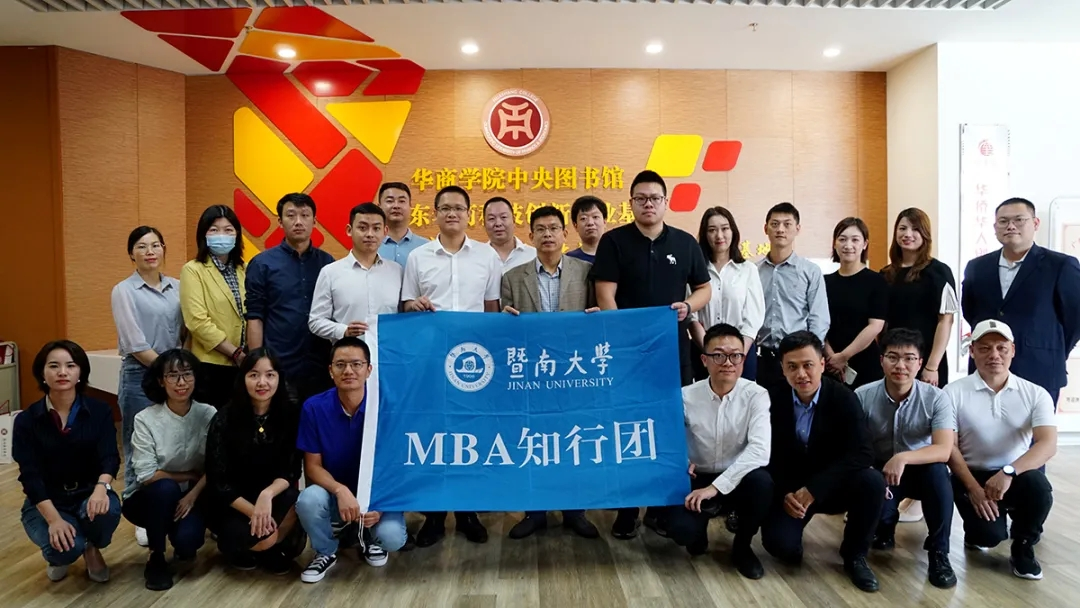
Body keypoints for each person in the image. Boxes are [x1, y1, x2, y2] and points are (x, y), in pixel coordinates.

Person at [589, 169, 711, 540]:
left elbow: (704, 288)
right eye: (640, 198)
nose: (648, 204)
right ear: (631, 203)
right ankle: (628, 510)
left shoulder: (685, 243)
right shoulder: (614, 241)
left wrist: (689, 306)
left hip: (672, 351)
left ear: (665, 202)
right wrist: (624, 337)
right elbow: (605, 294)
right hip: (626, 355)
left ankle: (661, 509)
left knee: (669, 428)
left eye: (655, 198)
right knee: (626, 427)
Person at [401, 185, 500, 546]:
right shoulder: (418, 257)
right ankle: (434, 516)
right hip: (431, 361)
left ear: (469, 214)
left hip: (475, 364)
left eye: (459, 208)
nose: (452, 213)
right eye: (445, 208)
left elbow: (491, 309)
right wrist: (414, 306)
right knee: (434, 435)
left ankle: (467, 513)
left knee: (471, 435)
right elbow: (406, 306)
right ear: (435, 214)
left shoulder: (487, 256)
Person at [501, 205, 600, 540]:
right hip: (532, 375)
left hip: (574, 372)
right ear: (531, 236)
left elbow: (596, 321)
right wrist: (505, 321)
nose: (547, 234)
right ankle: (535, 512)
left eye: (553, 228)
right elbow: (503, 332)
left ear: (564, 234)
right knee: (534, 440)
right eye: (540, 229)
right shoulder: (512, 278)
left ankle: (575, 511)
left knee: (574, 439)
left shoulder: (586, 273)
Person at [760, 331, 885, 593]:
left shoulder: (844, 397)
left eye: (808, 365)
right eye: (792, 367)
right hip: (793, 490)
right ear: (782, 368)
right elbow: (763, 453)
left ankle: (855, 555)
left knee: (872, 481)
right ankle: (793, 540)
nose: (801, 374)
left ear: (822, 364)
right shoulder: (770, 399)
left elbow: (863, 453)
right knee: (780, 547)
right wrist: (784, 492)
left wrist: (815, 489)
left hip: (833, 485)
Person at [945, 320, 1057, 581]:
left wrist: (1008, 472)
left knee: (1039, 486)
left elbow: (1047, 443)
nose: (994, 355)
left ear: (1012, 351)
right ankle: (979, 529)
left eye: (1001, 348)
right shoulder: (953, 392)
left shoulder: (1035, 393)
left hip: (1014, 474)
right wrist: (973, 488)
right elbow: (949, 446)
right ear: (972, 351)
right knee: (988, 537)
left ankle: (1023, 545)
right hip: (971, 476)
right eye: (985, 348)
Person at [296, 337, 408, 583]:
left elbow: (398, 465)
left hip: (380, 493)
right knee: (308, 500)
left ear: (369, 369)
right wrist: (340, 490)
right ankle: (326, 551)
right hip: (336, 491)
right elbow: (312, 467)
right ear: (330, 371)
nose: (348, 371)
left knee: (392, 538)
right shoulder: (313, 407)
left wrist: (379, 503)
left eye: (356, 364)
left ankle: (369, 537)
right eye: (340, 365)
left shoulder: (388, 406)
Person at [666, 324, 773, 580]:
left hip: (736, 477)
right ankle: (698, 529)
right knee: (681, 532)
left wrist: (716, 488)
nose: (727, 362)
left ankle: (742, 547)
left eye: (735, 355)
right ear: (704, 360)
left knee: (762, 483)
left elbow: (760, 450)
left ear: (743, 359)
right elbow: (669, 440)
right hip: (697, 476)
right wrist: (682, 459)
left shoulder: (757, 395)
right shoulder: (684, 396)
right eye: (718, 355)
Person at [854, 329, 957, 589]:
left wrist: (903, 458)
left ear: (920, 363)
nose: (901, 365)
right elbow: (855, 447)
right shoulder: (862, 396)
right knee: (875, 508)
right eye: (893, 357)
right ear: (882, 361)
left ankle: (939, 553)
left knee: (939, 473)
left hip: (920, 468)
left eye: (909, 358)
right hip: (880, 470)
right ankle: (885, 527)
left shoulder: (936, 398)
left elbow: (944, 449)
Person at [14, 341, 120, 584]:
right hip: (48, 498)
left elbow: (109, 457)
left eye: (70, 366)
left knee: (107, 511)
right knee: (64, 549)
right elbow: (30, 476)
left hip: (88, 492)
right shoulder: (27, 420)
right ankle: (64, 554)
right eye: (54, 366)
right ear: (42, 373)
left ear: (80, 372)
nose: (62, 372)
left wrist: (101, 489)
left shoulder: (99, 410)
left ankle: (91, 546)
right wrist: (53, 520)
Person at [961, 197, 1080, 407]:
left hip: (1039, 370)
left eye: (1019, 220)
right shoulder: (977, 267)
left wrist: (1053, 348)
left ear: (1035, 223)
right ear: (995, 227)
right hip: (987, 371)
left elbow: (1075, 319)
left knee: (1036, 429)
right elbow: (971, 312)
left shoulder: (1060, 265)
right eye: (1003, 221)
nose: (1011, 226)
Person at [110, 226, 182, 547]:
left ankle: (173, 505)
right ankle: (140, 513)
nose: (150, 251)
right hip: (140, 374)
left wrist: (179, 370)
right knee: (138, 444)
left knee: (173, 442)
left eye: (155, 245)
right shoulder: (123, 290)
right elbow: (135, 343)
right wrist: (172, 370)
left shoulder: (178, 287)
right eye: (141, 246)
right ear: (131, 254)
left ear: (164, 249)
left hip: (175, 375)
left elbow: (187, 331)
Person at [122, 349, 216, 591]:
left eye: (187, 374)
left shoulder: (208, 413)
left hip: (191, 494)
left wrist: (192, 494)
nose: (181, 382)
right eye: (173, 375)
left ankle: (179, 537)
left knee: (188, 543)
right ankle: (156, 556)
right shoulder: (145, 419)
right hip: (151, 496)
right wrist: (188, 476)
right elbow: (147, 475)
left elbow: (217, 464)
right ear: (161, 381)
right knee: (165, 488)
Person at [206, 348, 305, 574]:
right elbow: (218, 482)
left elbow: (291, 470)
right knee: (262, 538)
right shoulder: (224, 418)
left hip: (270, 496)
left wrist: (267, 495)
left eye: (270, 375)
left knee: (296, 501)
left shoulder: (290, 415)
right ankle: (239, 548)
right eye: (254, 375)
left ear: (279, 378)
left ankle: (270, 548)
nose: (262, 382)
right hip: (234, 501)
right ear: (243, 379)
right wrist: (254, 511)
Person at [244, 193, 335, 403]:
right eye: (291, 215)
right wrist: (258, 365)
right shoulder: (262, 264)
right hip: (279, 362)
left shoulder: (328, 263)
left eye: (305, 215)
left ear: (315, 221)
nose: (298, 222)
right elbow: (255, 316)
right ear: (280, 221)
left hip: (321, 363)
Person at [755, 203, 830, 392]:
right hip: (763, 358)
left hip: (798, 359)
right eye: (775, 224)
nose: (780, 229)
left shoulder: (810, 271)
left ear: (797, 229)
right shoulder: (753, 271)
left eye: (787, 224)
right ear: (765, 228)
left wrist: (811, 355)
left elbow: (819, 317)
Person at [882, 208, 957, 387]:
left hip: (927, 359)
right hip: (894, 359)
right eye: (902, 228)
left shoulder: (939, 271)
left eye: (915, 229)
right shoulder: (886, 274)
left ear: (925, 234)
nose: (908, 234)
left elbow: (946, 321)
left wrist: (932, 366)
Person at [180, 205, 247, 408]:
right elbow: (197, 321)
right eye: (214, 230)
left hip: (244, 364)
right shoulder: (193, 270)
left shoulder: (244, 269)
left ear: (237, 235)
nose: (222, 235)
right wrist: (234, 353)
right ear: (204, 234)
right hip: (210, 364)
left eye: (228, 230)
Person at [309, 203, 403, 343]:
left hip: (388, 352)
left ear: (385, 232)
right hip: (348, 352)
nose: (370, 234)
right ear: (349, 230)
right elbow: (316, 321)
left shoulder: (396, 271)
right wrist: (343, 330)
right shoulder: (330, 273)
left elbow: (403, 317)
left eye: (376, 228)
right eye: (362, 228)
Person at [689, 206, 764, 381]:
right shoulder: (695, 270)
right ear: (704, 234)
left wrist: (738, 355)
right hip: (704, 354)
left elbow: (754, 318)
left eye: (725, 228)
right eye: (712, 230)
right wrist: (710, 353)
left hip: (742, 353)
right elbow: (692, 317)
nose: (719, 235)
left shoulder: (748, 270)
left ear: (733, 231)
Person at [824, 218, 887, 388]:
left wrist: (844, 356)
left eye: (855, 240)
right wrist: (831, 356)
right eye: (842, 239)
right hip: (829, 364)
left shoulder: (877, 281)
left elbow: (875, 326)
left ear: (865, 244)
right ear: (835, 243)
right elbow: (818, 323)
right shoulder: (824, 282)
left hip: (865, 363)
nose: (848, 245)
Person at [377, 182, 429, 266]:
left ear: (410, 206)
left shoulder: (426, 247)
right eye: (390, 201)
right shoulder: (370, 246)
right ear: (379, 207)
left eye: (401, 201)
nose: (396, 206)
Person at [483, 196, 537, 272]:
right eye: (491, 218)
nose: (498, 223)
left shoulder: (533, 256)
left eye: (503, 217)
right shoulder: (477, 256)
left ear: (513, 220)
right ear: (484, 223)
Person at [567, 195, 608, 263]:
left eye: (595, 217)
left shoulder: (618, 256)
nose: (590, 223)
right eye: (583, 218)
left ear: (604, 222)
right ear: (575, 225)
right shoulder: (568, 260)